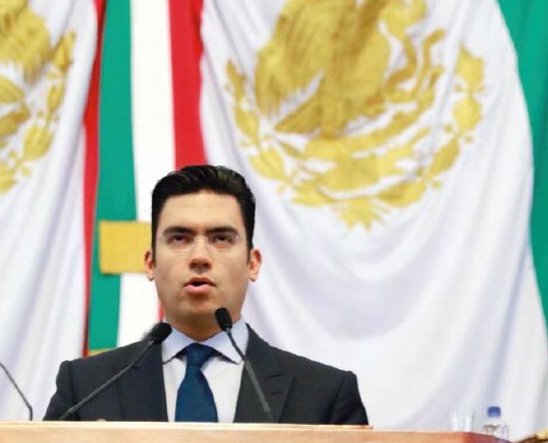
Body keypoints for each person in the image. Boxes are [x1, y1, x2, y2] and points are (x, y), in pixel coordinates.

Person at [44, 164, 368, 424]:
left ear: (252, 263)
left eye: (221, 238)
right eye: (180, 238)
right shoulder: (86, 388)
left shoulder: (323, 396)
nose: (200, 256)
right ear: (151, 263)